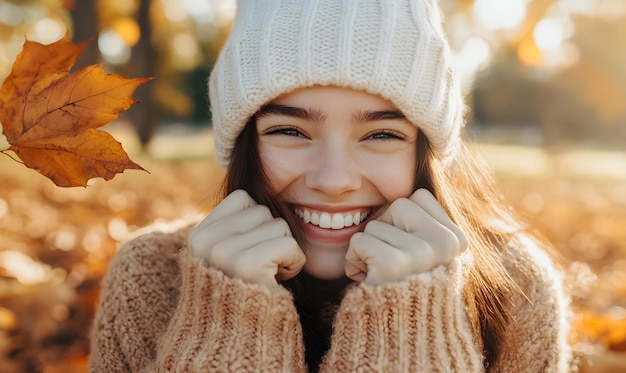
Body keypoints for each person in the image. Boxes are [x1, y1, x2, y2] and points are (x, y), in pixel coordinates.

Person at [89, 0, 572, 371]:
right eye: (290, 131)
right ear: (242, 143)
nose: (334, 180)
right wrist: (228, 322)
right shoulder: (149, 277)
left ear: (424, 151)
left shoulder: (516, 289)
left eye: (382, 134)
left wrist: (406, 324)